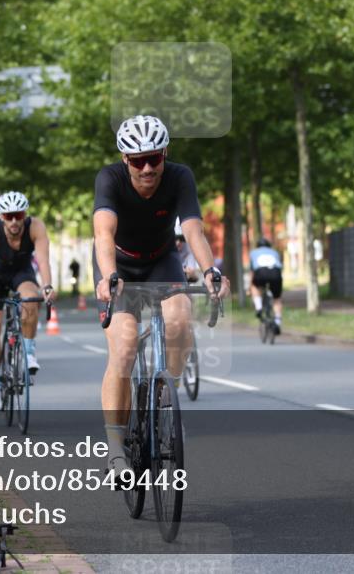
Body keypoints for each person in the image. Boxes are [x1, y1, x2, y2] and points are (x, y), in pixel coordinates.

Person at [93, 115, 230, 476]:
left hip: (162, 260)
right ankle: (115, 448)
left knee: (180, 321)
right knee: (123, 345)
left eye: (155, 158)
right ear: (126, 160)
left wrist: (209, 271)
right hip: (118, 266)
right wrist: (108, 276)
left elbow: (193, 230)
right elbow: (104, 234)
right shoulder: (110, 179)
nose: (148, 167)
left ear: (165, 153)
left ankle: (165, 402)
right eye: (138, 161)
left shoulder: (180, 176)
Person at [0, 191, 55, 411]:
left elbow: (43, 260)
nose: (13, 221)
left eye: (18, 215)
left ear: (24, 214)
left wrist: (47, 286)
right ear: (1, 216)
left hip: (22, 272)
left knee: (31, 299)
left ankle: (29, 353)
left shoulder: (36, 227)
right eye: (8, 216)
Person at [249, 237, 283, 334]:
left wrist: (249, 287)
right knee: (277, 298)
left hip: (261, 272)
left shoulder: (253, 252)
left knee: (255, 286)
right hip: (275, 273)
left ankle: (259, 307)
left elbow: (252, 271)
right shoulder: (275, 252)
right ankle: (277, 321)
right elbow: (280, 266)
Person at [174, 218, 200, 283]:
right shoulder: (165, 249)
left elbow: (195, 275)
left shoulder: (189, 247)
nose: (178, 242)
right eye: (175, 238)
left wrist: (191, 274)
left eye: (182, 239)